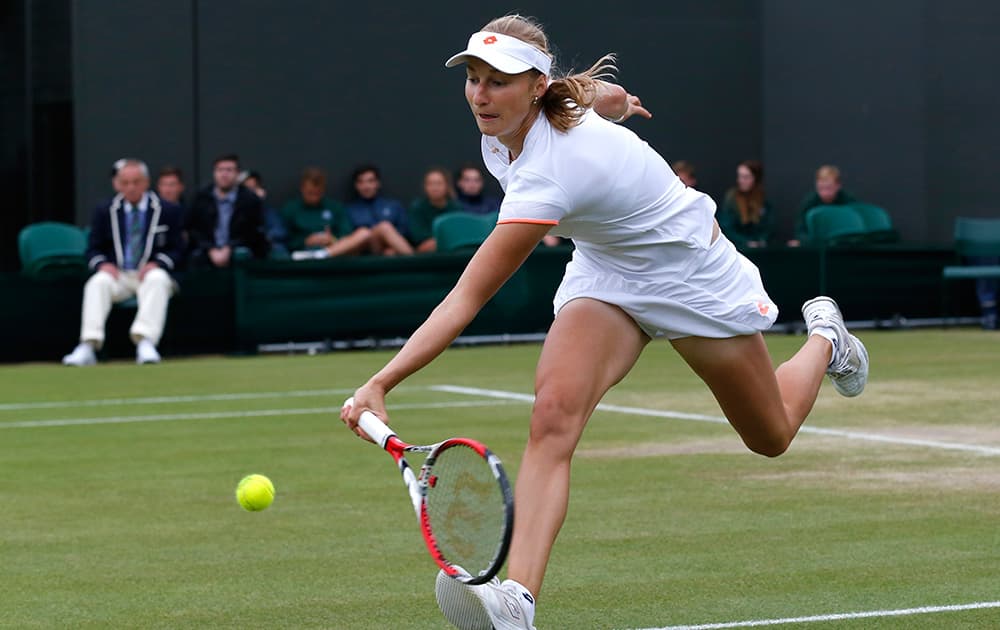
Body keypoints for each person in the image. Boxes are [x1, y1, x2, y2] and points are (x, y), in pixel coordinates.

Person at [340, 15, 870, 630]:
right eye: (475, 79)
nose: (481, 95)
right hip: (606, 269)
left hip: (686, 272)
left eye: (499, 82)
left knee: (771, 435)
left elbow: (465, 299)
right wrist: (618, 101)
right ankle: (517, 603)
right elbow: (593, 94)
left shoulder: (551, 170)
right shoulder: (521, 118)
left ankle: (827, 338)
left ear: (535, 86)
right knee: (553, 415)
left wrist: (384, 379)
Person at [62, 159, 184, 366]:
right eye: (125, 182)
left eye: (136, 182)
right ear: (116, 184)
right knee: (97, 283)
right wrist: (103, 265)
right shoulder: (104, 210)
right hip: (118, 275)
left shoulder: (168, 210)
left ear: (146, 182)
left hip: (149, 274)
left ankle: (145, 342)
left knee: (157, 279)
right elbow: (93, 248)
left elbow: (178, 249)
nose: (131, 187)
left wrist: (157, 263)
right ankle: (88, 345)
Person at [186, 154, 270, 267]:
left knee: (243, 256)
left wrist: (229, 247)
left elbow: (254, 231)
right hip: (207, 251)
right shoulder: (201, 197)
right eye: (220, 170)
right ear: (214, 173)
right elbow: (193, 229)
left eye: (229, 170)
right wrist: (210, 248)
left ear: (237, 173)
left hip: (240, 250)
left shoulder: (250, 199)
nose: (224, 174)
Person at [280, 167, 372, 258]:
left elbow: (346, 233)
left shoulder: (335, 207)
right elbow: (283, 239)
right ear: (302, 188)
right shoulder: (290, 209)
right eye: (310, 193)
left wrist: (332, 239)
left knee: (364, 233)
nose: (314, 197)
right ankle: (318, 255)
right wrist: (305, 241)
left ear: (323, 190)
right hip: (302, 253)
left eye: (317, 193)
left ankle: (322, 254)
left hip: (334, 252)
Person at [345, 164, 414, 256]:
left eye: (370, 181)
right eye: (361, 182)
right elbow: (348, 238)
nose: (366, 186)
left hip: (390, 249)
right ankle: (417, 263)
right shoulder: (350, 210)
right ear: (356, 186)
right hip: (364, 251)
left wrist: (388, 244)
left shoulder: (393, 205)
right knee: (384, 227)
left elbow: (405, 231)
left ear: (377, 183)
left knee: (390, 252)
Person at [789, 165, 857, 246]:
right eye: (820, 188)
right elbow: (800, 231)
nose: (824, 193)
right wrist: (805, 241)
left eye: (828, 188)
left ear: (838, 186)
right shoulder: (809, 203)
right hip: (815, 249)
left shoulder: (849, 202)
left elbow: (855, 232)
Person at [717, 160, 774, 248]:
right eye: (740, 176)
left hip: (760, 250)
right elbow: (727, 228)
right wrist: (746, 242)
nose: (741, 181)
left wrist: (760, 241)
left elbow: (769, 227)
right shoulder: (731, 199)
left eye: (746, 177)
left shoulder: (763, 200)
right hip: (737, 249)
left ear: (755, 178)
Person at [409, 167, 464, 253]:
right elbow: (418, 237)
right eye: (430, 184)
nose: (435, 188)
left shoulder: (457, 208)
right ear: (425, 187)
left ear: (447, 186)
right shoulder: (417, 208)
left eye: (439, 183)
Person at [240, 170, 289, 259]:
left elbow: (280, 232)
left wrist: (257, 205)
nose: (251, 193)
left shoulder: (267, 211)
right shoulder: (235, 211)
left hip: (265, 247)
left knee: (279, 250)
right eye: (247, 189)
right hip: (246, 248)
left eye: (254, 188)